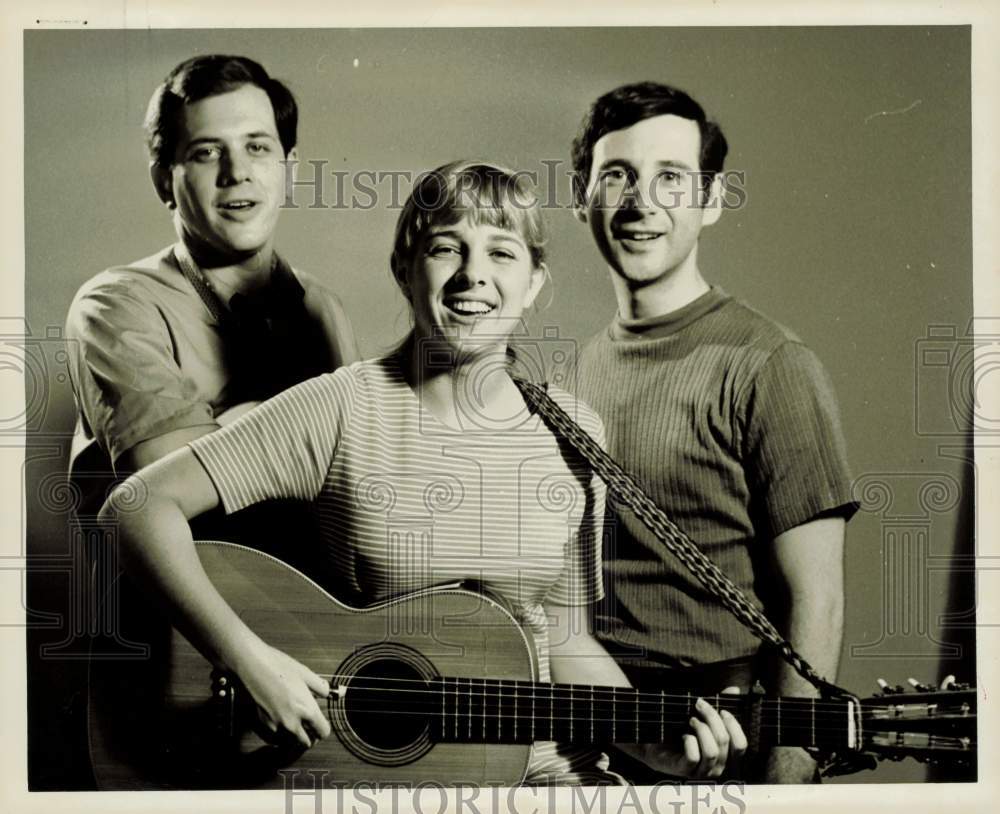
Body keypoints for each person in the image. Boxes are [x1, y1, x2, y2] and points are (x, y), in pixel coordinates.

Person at [99, 160, 746, 786]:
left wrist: (658, 746)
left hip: (546, 770)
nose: (474, 276)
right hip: (382, 776)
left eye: (501, 253)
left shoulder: (577, 435)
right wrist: (247, 659)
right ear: (405, 270)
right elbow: (134, 507)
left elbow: (566, 637)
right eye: (446, 248)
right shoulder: (341, 407)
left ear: (535, 282)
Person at [569, 82, 858, 783]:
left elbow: (816, 599)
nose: (641, 204)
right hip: (588, 737)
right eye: (618, 176)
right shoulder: (571, 373)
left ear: (711, 199)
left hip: (718, 747)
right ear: (582, 197)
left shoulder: (770, 364)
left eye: (671, 178)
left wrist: (787, 779)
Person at [65, 54, 358, 530]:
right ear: (164, 179)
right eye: (206, 151)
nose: (236, 172)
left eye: (258, 147)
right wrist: (323, 428)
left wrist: (225, 427)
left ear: (291, 169)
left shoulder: (323, 307)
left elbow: (356, 482)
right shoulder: (113, 306)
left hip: (313, 599)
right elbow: (172, 484)